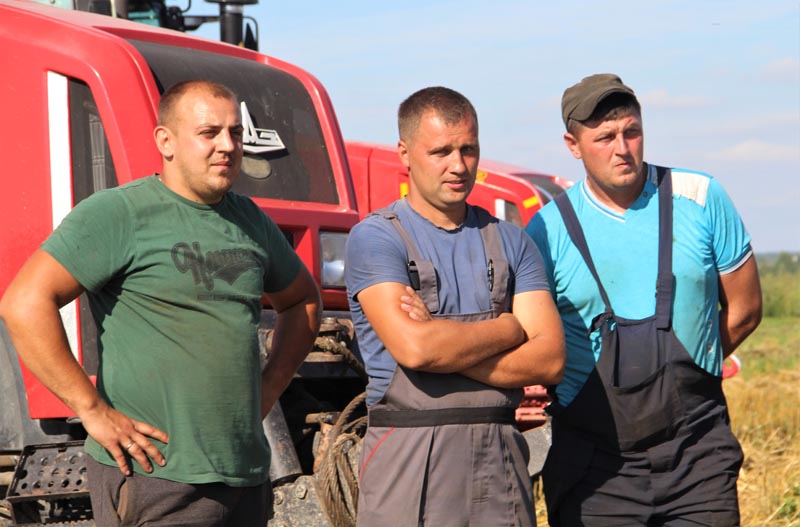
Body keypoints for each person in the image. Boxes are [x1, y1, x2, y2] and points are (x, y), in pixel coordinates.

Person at [0, 80, 322, 527]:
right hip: (156, 475)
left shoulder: (250, 220)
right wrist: (91, 410)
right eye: (209, 133)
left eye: (235, 133)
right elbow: (24, 303)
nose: (228, 146)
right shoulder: (119, 213)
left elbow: (303, 300)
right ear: (165, 141)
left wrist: (273, 384)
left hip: (244, 472)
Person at [526, 73, 762, 526]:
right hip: (594, 469)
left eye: (631, 132)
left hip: (697, 458)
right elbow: (533, 336)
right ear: (573, 145)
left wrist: (693, 369)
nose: (622, 148)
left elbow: (746, 310)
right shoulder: (546, 230)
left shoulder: (701, 197)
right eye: (605, 137)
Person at [345, 86, 565, 527]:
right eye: (441, 152)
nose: (459, 165)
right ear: (405, 153)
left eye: (468, 149)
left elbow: (551, 360)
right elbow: (417, 350)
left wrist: (444, 344)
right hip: (409, 461)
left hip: (500, 462)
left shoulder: (511, 241)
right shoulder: (377, 238)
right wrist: (507, 329)